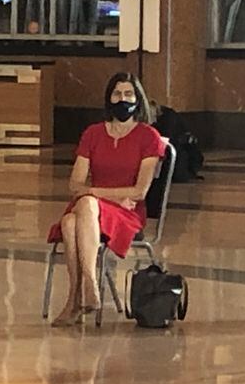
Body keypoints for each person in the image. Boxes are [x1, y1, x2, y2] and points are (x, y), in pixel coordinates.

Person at [46, 72, 166, 327]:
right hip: (93, 212)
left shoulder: (148, 136)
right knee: (70, 221)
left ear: (138, 99)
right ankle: (85, 291)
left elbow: (139, 192)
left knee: (81, 209)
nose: (123, 99)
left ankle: (79, 296)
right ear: (109, 98)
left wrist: (93, 193)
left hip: (127, 213)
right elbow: (74, 184)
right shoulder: (93, 133)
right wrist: (102, 195)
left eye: (128, 94)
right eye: (117, 94)